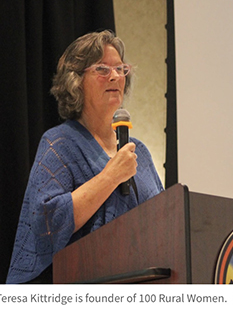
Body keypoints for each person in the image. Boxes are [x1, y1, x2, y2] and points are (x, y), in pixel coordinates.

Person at [6, 30, 164, 284]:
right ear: (75, 81)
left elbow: (165, 220)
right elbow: (46, 223)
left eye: (120, 69)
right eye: (102, 69)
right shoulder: (59, 144)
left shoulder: (140, 153)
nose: (115, 76)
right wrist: (111, 176)